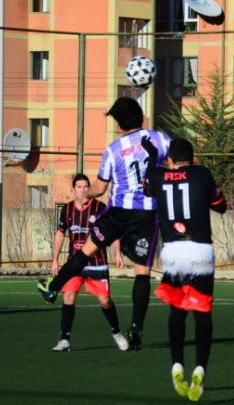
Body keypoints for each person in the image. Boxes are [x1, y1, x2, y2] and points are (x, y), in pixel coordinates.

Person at [38, 97, 171, 349]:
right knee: (142, 271)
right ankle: (136, 329)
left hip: (118, 211)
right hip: (146, 215)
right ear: (141, 117)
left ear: (119, 123)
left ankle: (52, 287)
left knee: (86, 250)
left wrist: (85, 193)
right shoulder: (161, 139)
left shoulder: (113, 149)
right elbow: (178, 160)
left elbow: (99, 189)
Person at [141, 136, 227, 402]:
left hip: (173, 251)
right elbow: (221, 206)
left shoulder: (159, 174)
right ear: (193, 159)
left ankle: (177, 365)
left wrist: (152, 156)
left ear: (169, 160)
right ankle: (200, 368)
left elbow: (147, 187)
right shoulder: (202, 174)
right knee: (202, 313)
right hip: (200, 249)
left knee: (177, 312)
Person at [48, 173, 129, 352]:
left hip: (96, 263)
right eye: (79, 187)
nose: (83, 190)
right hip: (73, 264)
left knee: (105, 301)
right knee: (68, 296)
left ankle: (116, 332)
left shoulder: (100, 208)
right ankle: (65, 339)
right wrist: (54, 260)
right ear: (73, 189)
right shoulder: (67, 210)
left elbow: (113, 231)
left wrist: (117, 253)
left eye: (86, 186)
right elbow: (60, 233)